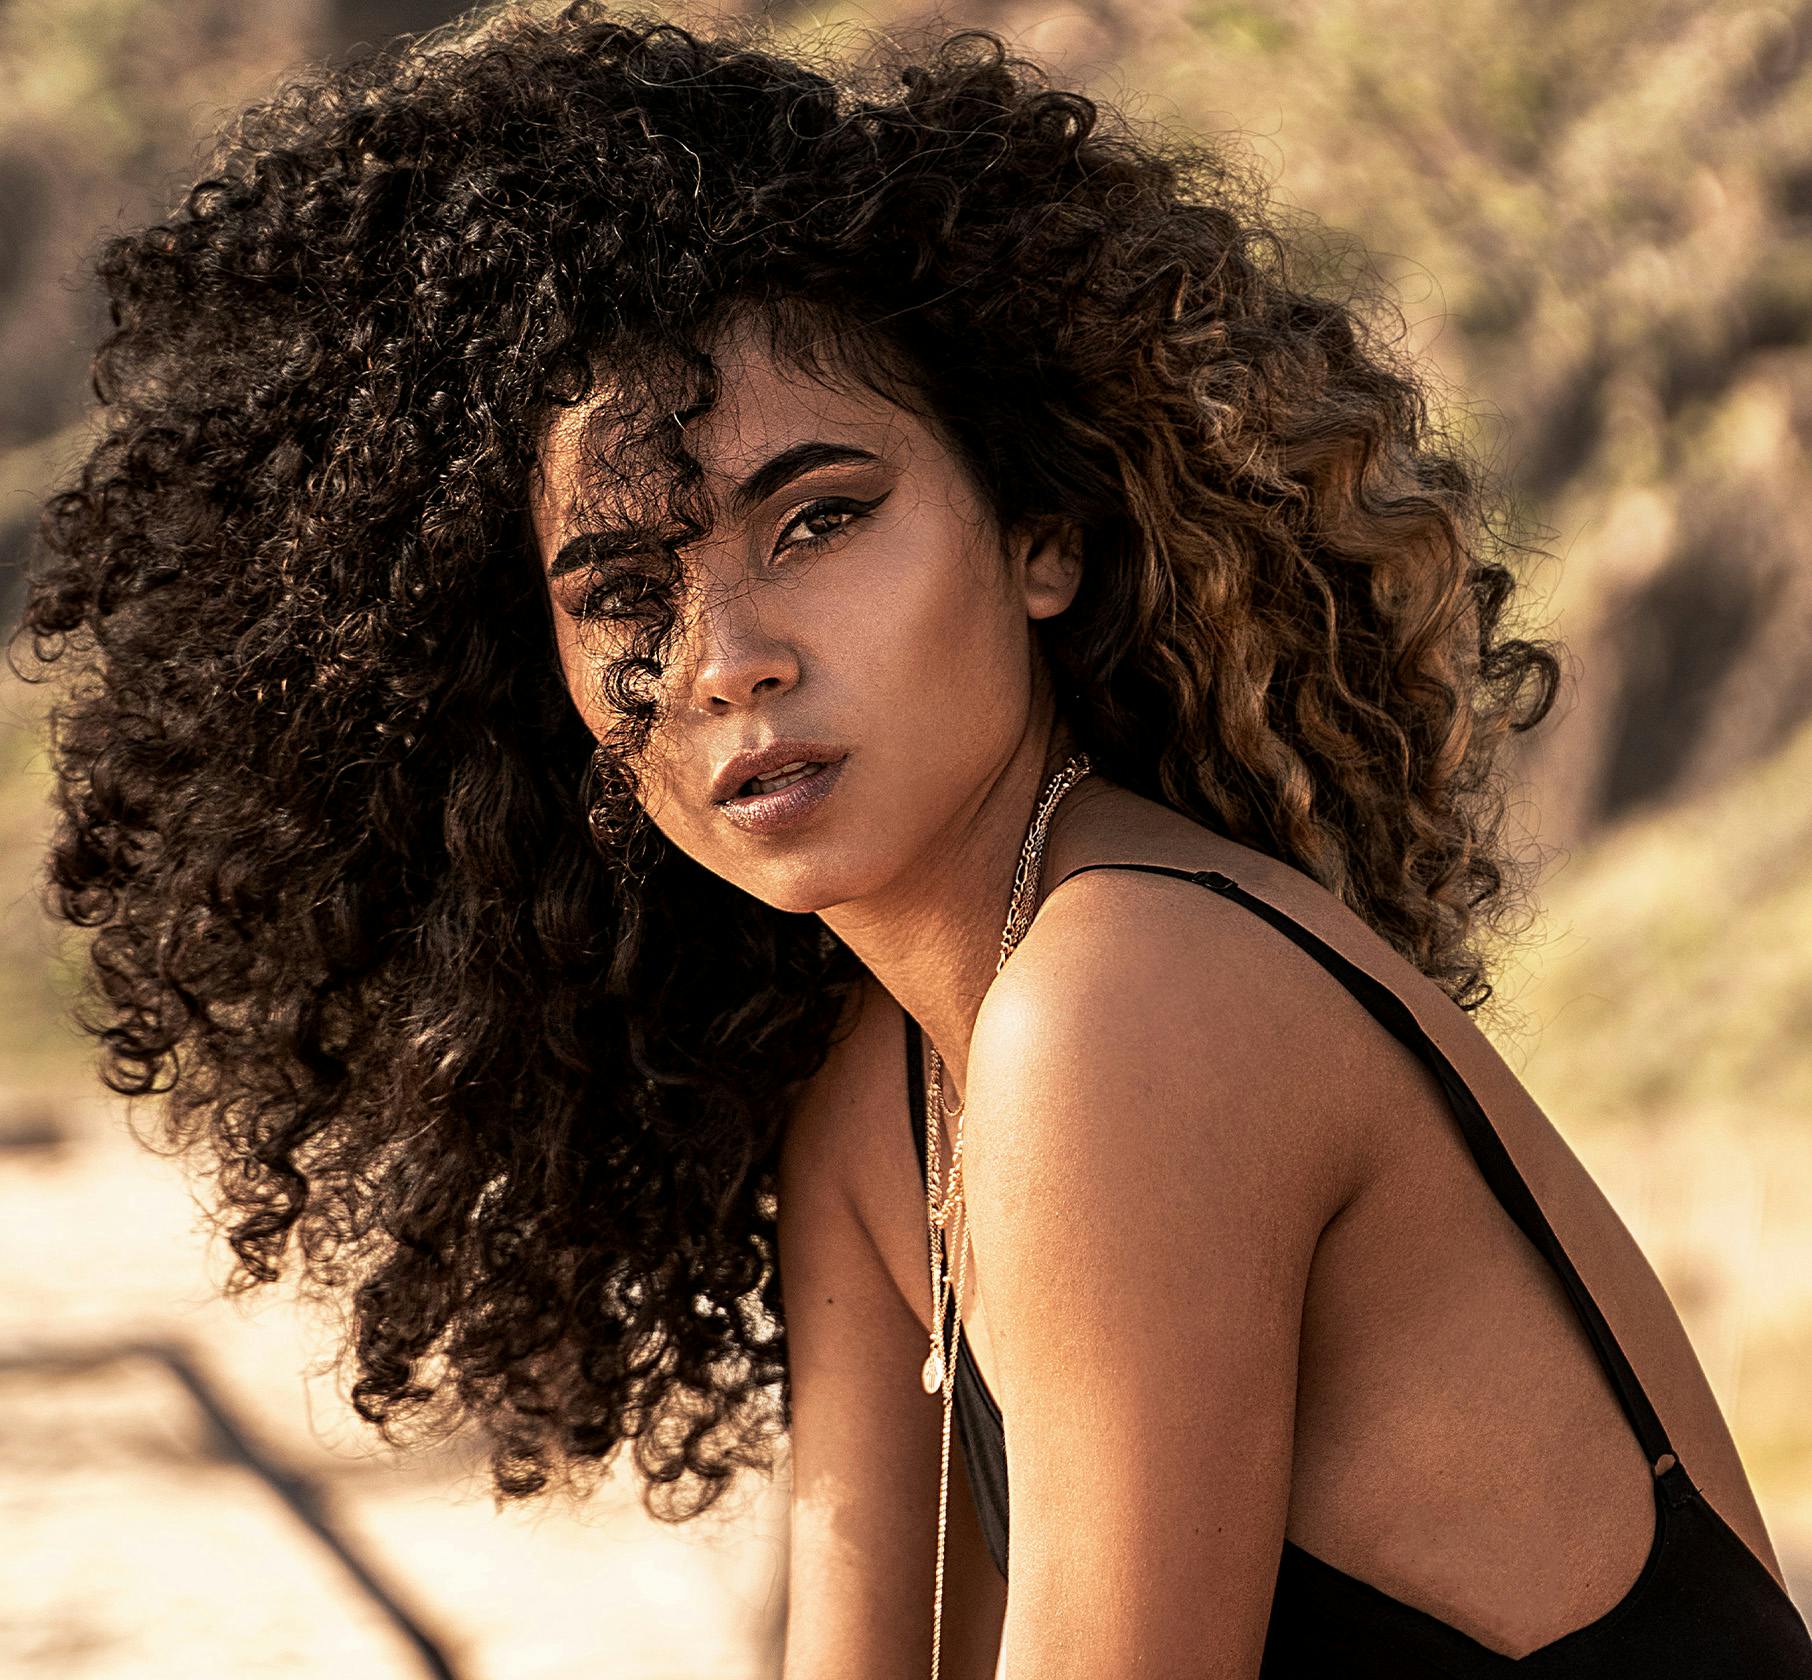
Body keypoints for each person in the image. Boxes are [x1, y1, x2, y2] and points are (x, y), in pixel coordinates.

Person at [13, 4, 1812, 1676]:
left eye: (820, 520)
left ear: (1041, 538)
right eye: (626, 591)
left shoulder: (1133, 1001)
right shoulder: (885, 1099)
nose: (727, 660)